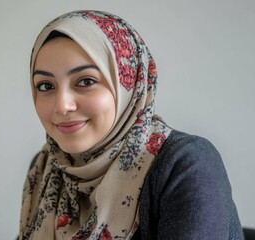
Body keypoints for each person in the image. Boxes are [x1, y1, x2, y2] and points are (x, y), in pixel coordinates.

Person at [19, 10, 244, 239]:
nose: (62, 106)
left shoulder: (186, 164)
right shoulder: (47, 166)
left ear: (129, 86)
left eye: (86, 81)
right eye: (46, 86)